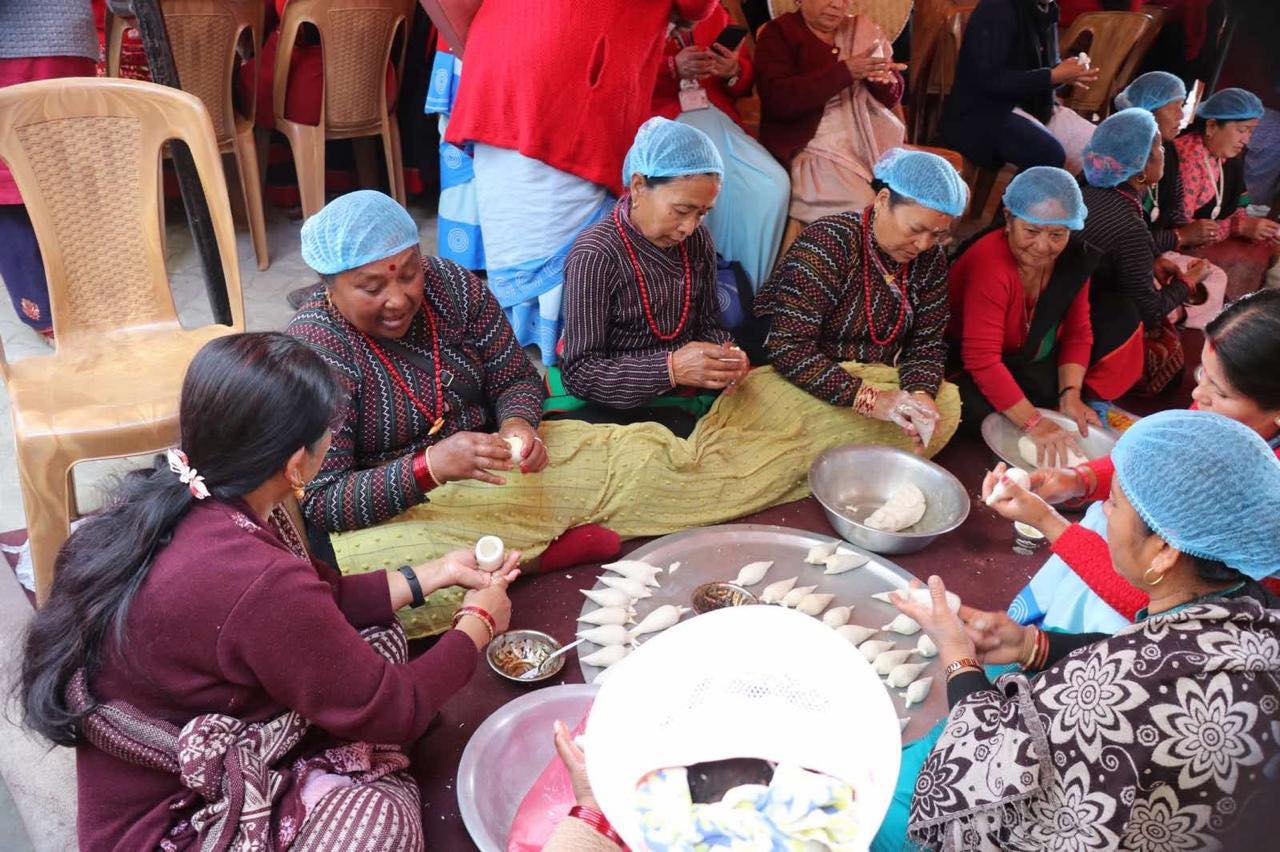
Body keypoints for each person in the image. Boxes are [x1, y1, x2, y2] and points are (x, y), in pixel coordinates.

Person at [19, 332, 520, 850]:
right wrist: (477, 624)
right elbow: (393, 707)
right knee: (377, 822)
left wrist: (430, 574)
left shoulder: (200, 491)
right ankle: (340, 784)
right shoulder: (254, 579)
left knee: (378, 633)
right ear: (296, 464)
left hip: (212, 706)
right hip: (169, 818)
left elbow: (316, 603)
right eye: (330, 433)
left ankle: (333, 764)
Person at [883, 409, 1280, 850]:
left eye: (1113, 505)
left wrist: (957, 657)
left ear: (1164, 550)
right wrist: (1032, 644)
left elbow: (982, 769)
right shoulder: (1249, 609)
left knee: (887, 807)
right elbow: (1143, 646)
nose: (1101, 515)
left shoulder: (1119, 697)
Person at [444, 0, 719, 363]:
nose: (688, 227)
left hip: (502, 49)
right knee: (562, 247)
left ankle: (528, 356)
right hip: (575, 67)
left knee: (528, 230)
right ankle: (563, 357)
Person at [1007, 289, 1280, 633]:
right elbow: (1154, 464)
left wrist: (1049, 523)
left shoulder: (1262, 520)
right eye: (1201, 376)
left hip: (1184, 624)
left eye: (1220, 391)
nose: (1198, 395)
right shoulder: (1219, 420)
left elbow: (1167, 609)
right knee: (1100, 520)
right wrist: (1078, 480)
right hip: (1155, 576)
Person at [286, 190, 548, 533]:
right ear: (329, 286)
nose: (398, 300)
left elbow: (515, 378)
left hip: (489, 467)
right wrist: (429, 468)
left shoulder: (452, 287)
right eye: (371, 287)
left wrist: (517, 424)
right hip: (391, 511)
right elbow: (321, 500)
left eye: (409, 274)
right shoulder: (316, 353)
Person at [755, 147, 966, 451]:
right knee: (794, 424)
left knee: (945, 404)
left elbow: (926, 344)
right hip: (807, 376)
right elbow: (788, 347)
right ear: (882, 201)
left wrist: (920, 394)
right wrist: (868, 399)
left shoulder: (930, 260)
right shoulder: (829, 243)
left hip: (877, 378)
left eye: (936, 235)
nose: (923, 244)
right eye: (916, 229)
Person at [554, 118, 749, 439]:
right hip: (615, 401)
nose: (689, 226)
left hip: (682, 389)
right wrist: (670, 369)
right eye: (682, 209)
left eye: (702, 213)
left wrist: (724, 357)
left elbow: (709, 323)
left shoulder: (696, 241)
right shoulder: (595, 255)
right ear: (639, 186)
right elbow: (581, 373)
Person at [947, 167, 1128, 465]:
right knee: (970, 406)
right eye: (1031, 231)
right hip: (965, 362)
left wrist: (1071, 393)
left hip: (1022, 355)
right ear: (1008, 220)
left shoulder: (1072, 261)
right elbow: (981, 359)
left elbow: (1078, 332)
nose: (1044, 246)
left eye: (1057, 234)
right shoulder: (989, 262)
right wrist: (1034, 422)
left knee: (1116, 321)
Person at [652, 5, 790, 288]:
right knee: (704, 189)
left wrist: (732, 70)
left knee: (772, 185)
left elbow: (744, 81)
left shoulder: (715, 12)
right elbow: (621, 71)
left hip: (718, 116)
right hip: (664, 119)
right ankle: (693, 292)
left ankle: (745, 292)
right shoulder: (639, 12)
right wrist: (672, 67)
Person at [1080, 107, 1202, 396]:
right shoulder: (1127, 221)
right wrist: (1189, 282)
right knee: (1158, 340)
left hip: (1070, 302)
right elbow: (1150, 310)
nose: (1165, 150)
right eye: (1158, 145)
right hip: (1085, 319)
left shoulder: (1083, 189)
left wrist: (1152, 257)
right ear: (1142, 169)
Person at [755, 0, 909, 224]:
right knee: (865, 208)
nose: (837, 5)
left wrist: (882, 81)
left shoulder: (862, 31)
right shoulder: (779, 33)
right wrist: (845, 71)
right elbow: (779, 101)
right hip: (808, 151)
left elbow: (891, 96)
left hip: (869, 144)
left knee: (914, 198)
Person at [0, 0, 99, 337]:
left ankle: (45, 313)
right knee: (68, 174)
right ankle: (87, 298)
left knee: (11, 185)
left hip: (14, 40)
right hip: (69, 34)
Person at [1115, 70, 1229, 329]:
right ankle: (1168, 315)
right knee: (1144, 289)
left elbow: (1175, 208)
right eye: (1175, 108)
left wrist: (1190, 236)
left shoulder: (1171, 152)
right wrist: (1179, 237)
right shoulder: (1125, 160)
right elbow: (1125, 244)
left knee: (1214, 275)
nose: (1181, 116)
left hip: (1156, 252)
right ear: (1150, 112)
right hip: (1128, 260)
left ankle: (1174, 312)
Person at [941, 0, 1099, 172]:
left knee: (1100, 151)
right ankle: (1013, 199)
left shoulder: (1046, 8)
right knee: (1047, 154)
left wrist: (1065, 74)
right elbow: (989, 80)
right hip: (983, 113)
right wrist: (1052, 76)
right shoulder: (997, 8)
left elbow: (1045, 70)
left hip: (1034, 106)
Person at [1173, 87, 1280, 298]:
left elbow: (1238, 206)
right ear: (1212, 126)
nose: (1246, 140)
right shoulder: (1188, 158)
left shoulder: (1227, 159)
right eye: (1241, 130)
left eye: (1251, 131)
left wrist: (1258, 229)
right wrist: (1238, 226)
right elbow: (1185, 231)